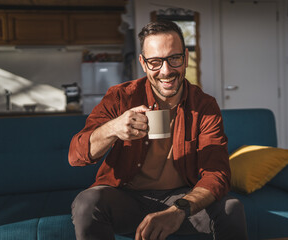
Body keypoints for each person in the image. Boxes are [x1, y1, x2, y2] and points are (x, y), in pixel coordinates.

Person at [69, 20, 248, 240]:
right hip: (127, 198)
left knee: (231, 208)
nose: (166, 71)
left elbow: (216, 174)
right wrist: (112, 129)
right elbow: (76, 156)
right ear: (143, 64)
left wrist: (179, 210)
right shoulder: (120, 97)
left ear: (186, 58)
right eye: (155, 62)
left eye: (174, 58)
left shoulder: (204, 105)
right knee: (87, 203)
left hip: (181, 200)